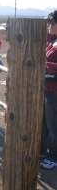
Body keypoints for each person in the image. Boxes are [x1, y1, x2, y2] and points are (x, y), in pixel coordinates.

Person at [40, 9, 57, 169]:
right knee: (45, 121)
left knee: (53, 124)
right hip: (47, 87)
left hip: (55, 90)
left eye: (52, 23)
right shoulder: (51, 39)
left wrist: (45, 65)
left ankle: (53, 156)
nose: (49, 26)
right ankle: (42, 150)